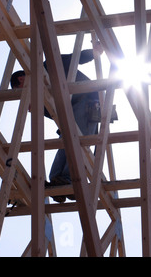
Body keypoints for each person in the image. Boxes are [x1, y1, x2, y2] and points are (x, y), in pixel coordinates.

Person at [10, 48, 102, 203]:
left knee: (79, 140)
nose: (24, 97)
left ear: (21, 80)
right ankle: (57, 180)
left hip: (86, 98)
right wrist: (39, 108)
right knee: (66, 141)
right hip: (71, 108)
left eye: (21, 92)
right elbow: (54, 113)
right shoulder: (41, 96)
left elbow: (75, 58)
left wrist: (95, 52)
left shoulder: (47, 67)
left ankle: (71, 179)